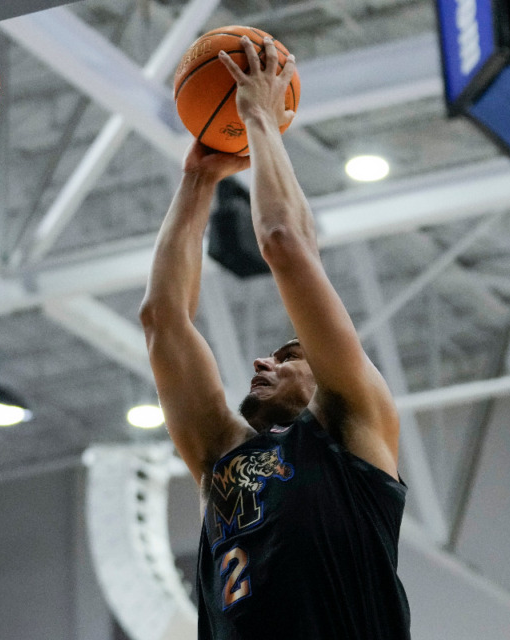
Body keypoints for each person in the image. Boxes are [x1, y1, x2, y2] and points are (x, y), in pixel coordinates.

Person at [138, 35, 411, 639]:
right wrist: (197, 179)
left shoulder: (353, 429)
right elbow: (163, 319)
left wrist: (260, 114)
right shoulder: (220, 460)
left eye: (290, 355)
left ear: (325, 375)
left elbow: (285, 243)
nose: (264, 359)